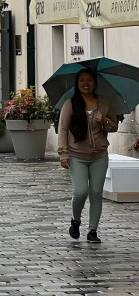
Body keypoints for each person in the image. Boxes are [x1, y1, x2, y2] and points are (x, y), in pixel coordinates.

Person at [57, 69, 118, 243]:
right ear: (77, 84)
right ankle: (75, 220)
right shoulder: (70, 104)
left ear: (95, 83)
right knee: (81, 191)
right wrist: (63, 154)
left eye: (90, 80)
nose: (86, 84)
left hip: (99, 155)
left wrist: (104, 121)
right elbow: (62, 129)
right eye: (82, 80)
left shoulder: (104, 103)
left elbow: (114, 126)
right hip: (77, 155)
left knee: (96, 193)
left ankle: (92, 231)